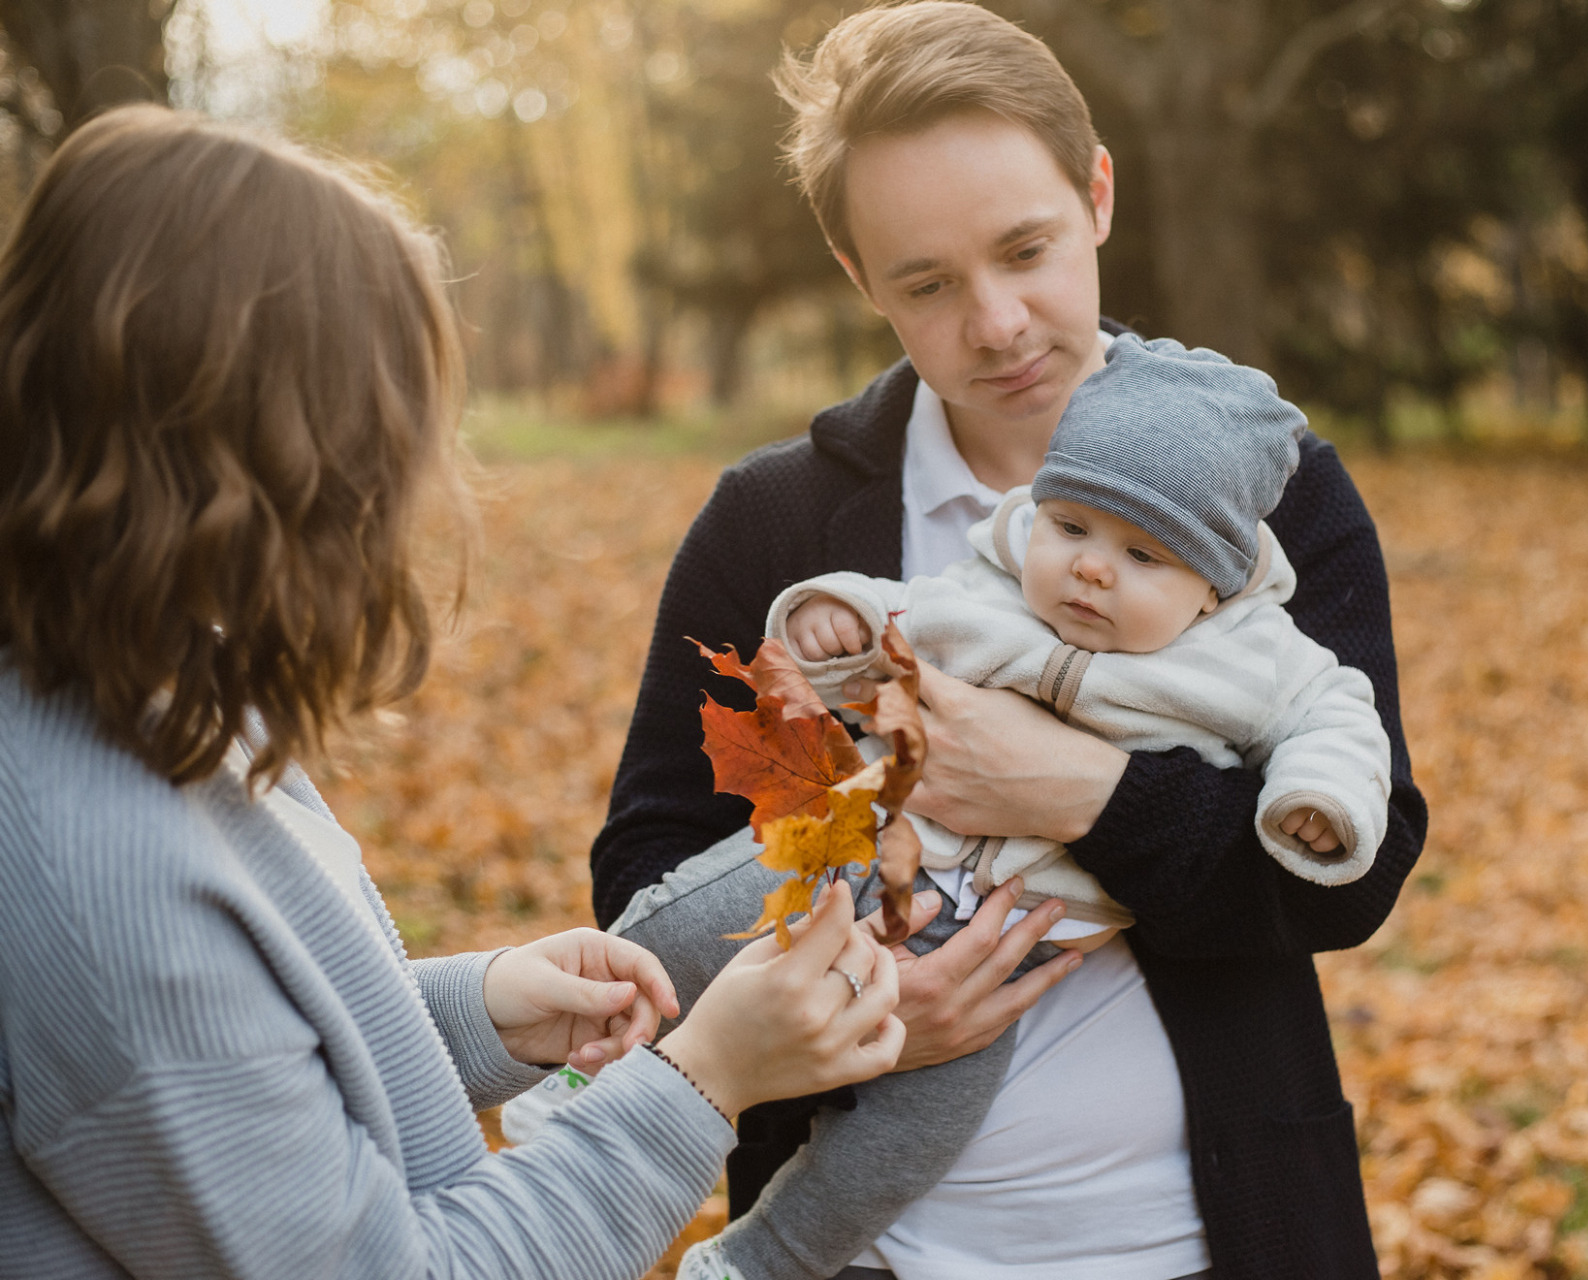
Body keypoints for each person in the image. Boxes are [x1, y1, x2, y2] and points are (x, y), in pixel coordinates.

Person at [589, 4, 1430, 1278]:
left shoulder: (1272, 494)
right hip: (865, 1247)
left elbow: (1353, 871)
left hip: (1215, 1237)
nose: (997, 322)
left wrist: (1080, 791)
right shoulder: (777, 526)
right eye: (927, 282)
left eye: (1025, 249)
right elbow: (644, 867)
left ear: (1096, 194)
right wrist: (855, 1002)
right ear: (856, 274)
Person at [0, 105, 903, 1280]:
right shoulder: (94, 858)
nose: (408, 488)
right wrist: (707, 1077)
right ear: (255, 449)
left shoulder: (141, 673)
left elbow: (236, 1087)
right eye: (381, 434)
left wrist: (475, 1012)